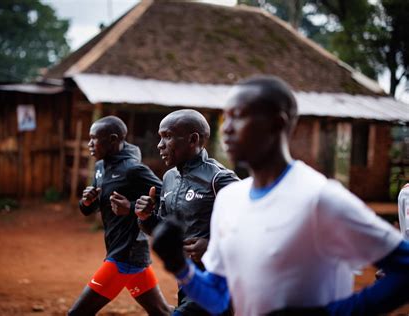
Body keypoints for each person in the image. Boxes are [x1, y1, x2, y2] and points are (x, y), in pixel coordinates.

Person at [151, 76, 409, 316]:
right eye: (225, 119)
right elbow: (219, 297)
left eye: (238, 117)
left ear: (278, 123)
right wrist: (180, 267)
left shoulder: (319, 198)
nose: (227, 129)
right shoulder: (230, 199)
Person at [135, 109, 239, 315]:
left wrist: (211, 247)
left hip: (218, 282)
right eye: (160, 137)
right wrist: (146, 217)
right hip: (187, 279)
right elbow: (163, 230)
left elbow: (252, 229)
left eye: (168, 136)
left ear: (193, 140)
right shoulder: (169, 178)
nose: (160, 144)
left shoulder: (219, 179)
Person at [68, 116, 171, 316]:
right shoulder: (100, 167)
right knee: (162, 313)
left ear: (113, 140)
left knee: (77, 313)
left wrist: (131, 207)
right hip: (124, 251)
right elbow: (90, 209)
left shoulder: (132, 169)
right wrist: (86, 202)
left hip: (125, 254)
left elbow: (166, 197)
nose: (89, 144)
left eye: (94, 138)